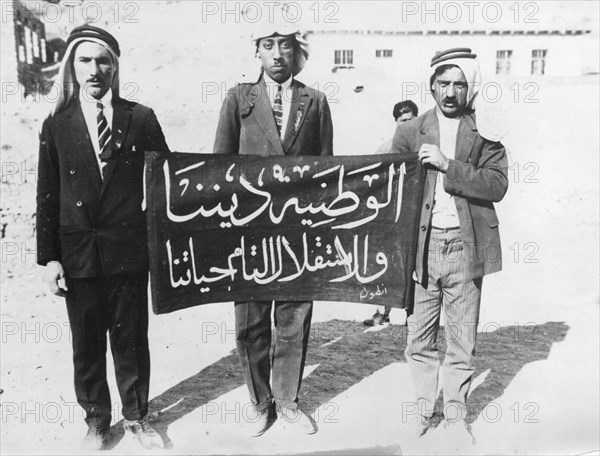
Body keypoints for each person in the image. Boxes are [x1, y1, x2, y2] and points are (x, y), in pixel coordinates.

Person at [36, 25, 169, 451]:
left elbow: (166, 180)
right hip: (79, 253)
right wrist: (50, 258)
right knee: (87, 342)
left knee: (130, 340)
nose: (95, 69)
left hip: (129, 251)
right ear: (73, 66)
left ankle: (136, 418)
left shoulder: (141, 117)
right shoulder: (56, 124)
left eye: (103, 60)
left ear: (115, 65)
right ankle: (96, 419)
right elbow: (47, 193)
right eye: (85, 60)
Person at [213, 25, 333, 436]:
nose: (277, 53)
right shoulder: (238, 97)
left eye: (285, 45)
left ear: (296, 51)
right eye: (268, 45)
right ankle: (259, 401)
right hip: (248, 228)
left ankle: (287, 399)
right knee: (251, 318)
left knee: (294, 315)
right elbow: (220, 168)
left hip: (297, 230)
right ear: (257, 52)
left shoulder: (315, 101)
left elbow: (326, 171)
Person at [393, 48, 508, 443]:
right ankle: (424, 410)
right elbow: (390, 187)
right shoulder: (411, 131)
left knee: (461, 337)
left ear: (469, 88)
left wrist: (447, 166)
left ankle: (456, 415)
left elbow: (498, 184)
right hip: (422, 248)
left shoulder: (485, 129)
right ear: (431, 86)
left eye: (459, 84)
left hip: (466, 245)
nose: (451, 92)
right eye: (443, 83)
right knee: (419, 338)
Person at [364, 100, 418, 327]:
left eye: (411, 120)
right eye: (402, 120)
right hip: (390, 215)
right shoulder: (385, 149)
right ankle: (381, 312)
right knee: (385, 264)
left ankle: (412, 314)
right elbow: (372, 182)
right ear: (396, 123)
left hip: (416, 216)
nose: (407, 124)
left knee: (414, 265)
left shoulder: (424, 148)